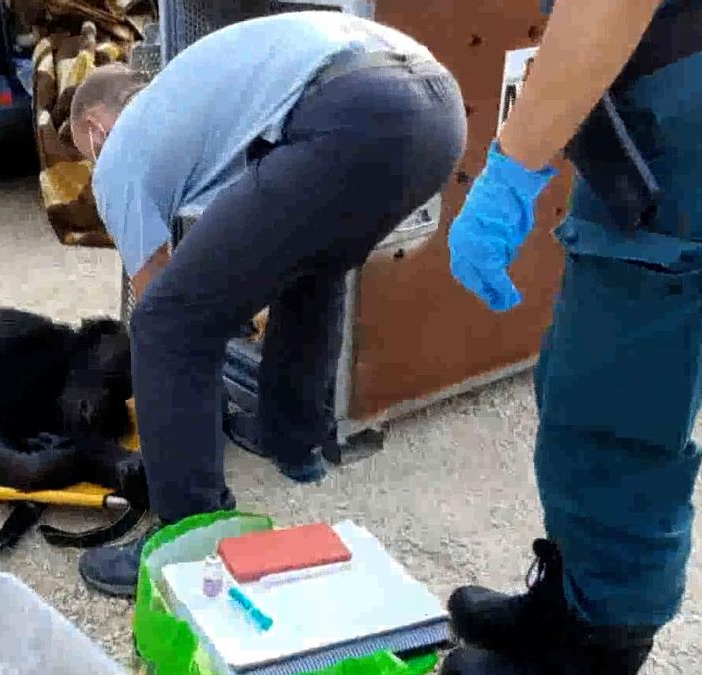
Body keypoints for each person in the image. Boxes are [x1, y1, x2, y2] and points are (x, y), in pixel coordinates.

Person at [67, 12, 468, 597]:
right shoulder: (201, 101)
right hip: (435, 108)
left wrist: (195, 346)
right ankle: (294, 441)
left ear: (96, 126)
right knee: (314, 265)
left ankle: (190, 537)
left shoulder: (122, 149)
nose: (89, 161)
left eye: (82, 147)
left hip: (350, 109)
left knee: (167, 328)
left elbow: (162, 301)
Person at [439, 0, 702, 673]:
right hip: (643, 105)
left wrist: (512, 166)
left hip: (680, 109)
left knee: (623, 406)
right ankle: (573, 595)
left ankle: (597, 644)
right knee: (577, 379)